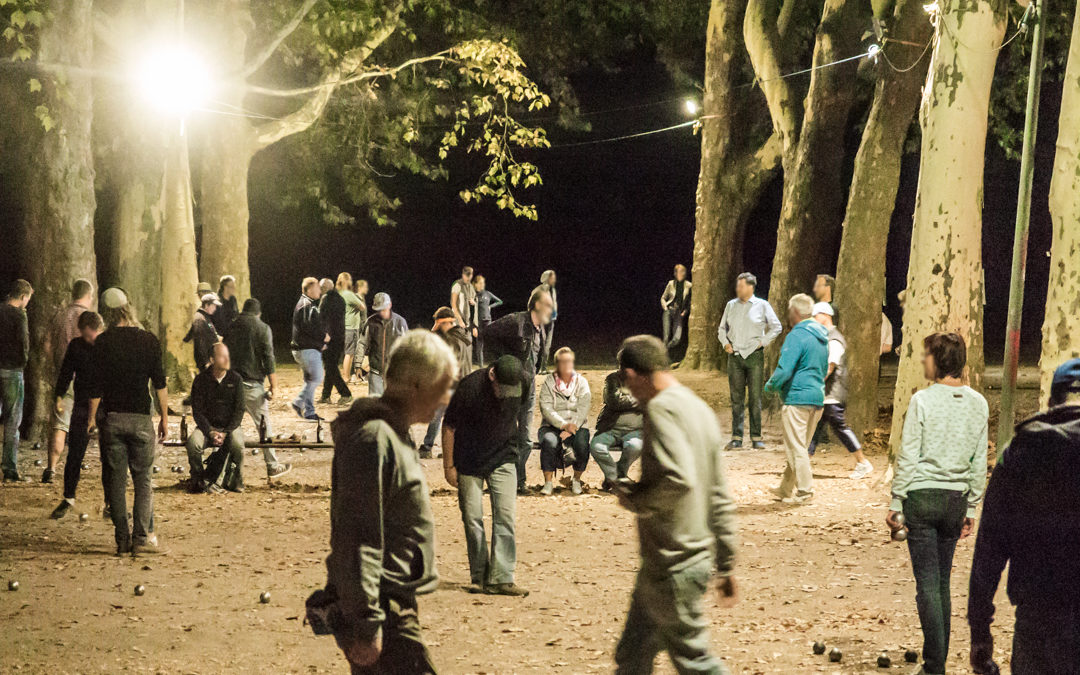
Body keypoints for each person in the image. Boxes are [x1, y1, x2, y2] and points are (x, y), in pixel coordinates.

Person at [323, 330, 456, 673]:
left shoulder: (393, 434)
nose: (446, 396)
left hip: (392, 604)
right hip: (384, 608)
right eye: (444, 385)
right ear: (415, 384)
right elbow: (357, 536)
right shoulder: (375, 439)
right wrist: (367, 624)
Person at [612, 335, 738, 674]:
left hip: (673, 564)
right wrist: (726, 562)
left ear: (633, 374)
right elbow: (719, 494)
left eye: (626, 381)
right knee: (633, 655)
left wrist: (636, 499)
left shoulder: (662, 408)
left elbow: (678, 479)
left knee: (696, 663)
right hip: (675, 562)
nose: (628, 391)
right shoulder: (699, 409)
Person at [967, 358, 1080, 675]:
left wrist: (980, 631)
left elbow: (989, 547)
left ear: (1051, 400)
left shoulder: (1020, 451)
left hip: (1037, 617)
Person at [886, 332, 987, 675]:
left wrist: (896, 499)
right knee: (942, 582)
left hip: (923, 497)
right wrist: (971, 507)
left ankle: (934, 666)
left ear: (938, 361)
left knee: (927, 584)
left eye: (926, 355)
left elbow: (909, 455)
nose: (922, 361)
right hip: (956, 500)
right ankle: (936, 663)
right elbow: (978, 463)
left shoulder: (922, 401)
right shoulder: (978, 404)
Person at [86, 288, 168, 556]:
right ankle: (141, 538)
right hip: (141, 418)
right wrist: (165, 417)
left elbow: (95, 387)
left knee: (116, 482)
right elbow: (160, 384)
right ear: (128, 308)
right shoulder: (148, 340)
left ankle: (122, 539)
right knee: (143, 480)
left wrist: (91, 419)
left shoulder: (102, 343)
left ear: (107, 315)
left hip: (113, 419)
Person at [442, 355, 530, 597]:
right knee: (473, 518)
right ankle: (479, 576)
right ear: (492, 376)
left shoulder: (523, 381)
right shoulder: (469, 388)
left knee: (505, 516)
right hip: (469, 459)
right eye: (503, 388)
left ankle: (501, 578)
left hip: (504, 455)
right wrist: (448, 466)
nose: (507, 394)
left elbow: (520, 416)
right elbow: (449, 427)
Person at [483, 286, 553, 493]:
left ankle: (517, 481)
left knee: (526, 440)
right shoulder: (516, 321)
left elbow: (537, 359)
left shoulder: (541, 329)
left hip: (528, 388)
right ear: (538, 305)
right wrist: (504, 364)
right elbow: (487, 333)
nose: (551, 310)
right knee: (502, 436)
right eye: (549, 305)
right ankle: (498, 481)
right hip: (508, 388)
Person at [763, 293, 828, 504]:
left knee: (796, 448)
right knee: (800, 444)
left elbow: (785, 369)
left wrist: (770, 386)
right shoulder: (822, 337)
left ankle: (805, 492)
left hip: (797, 397)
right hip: (817, 398)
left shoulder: (797, 335)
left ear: (795, 312)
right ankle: (785, 488)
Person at [223, 298, 291, 479]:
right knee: (263, 426)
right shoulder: (262, 327)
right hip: (252, 385)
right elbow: (268, 357)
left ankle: (224, 468)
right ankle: (272, 465)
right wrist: (274, 385)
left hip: (230, 384)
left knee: (229, 425)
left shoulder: (231, 326)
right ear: (258, 313)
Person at [807, 303, 873, 479]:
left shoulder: (834, 340)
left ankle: (862, 462)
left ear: (825, 316)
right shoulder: (828, 337)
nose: (814, 321)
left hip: (832, 394)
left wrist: (816, 383)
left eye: (816, 317)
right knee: (815, 428)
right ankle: (802, 464)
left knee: (838, 428)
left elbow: (830, 367)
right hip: (828, 394)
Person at [717, 272, 782, 450]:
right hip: (735, 356)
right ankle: (736, 437)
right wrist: (725, 344)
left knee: (755, 398)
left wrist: (764, 342)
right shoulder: (731, 305)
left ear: (750, 287)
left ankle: (756, 437)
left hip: (754, 356)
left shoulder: (762, 305)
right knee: (736, 398)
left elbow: (777, 326)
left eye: (741, 286)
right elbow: (722, 328)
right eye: (737, 286)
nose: (738, 289)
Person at [48, 310, 103, 519]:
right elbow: (66, 371)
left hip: (104, 404)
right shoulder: (76, 346)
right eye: (87, 335)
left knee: (109, 455)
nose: (90, 339)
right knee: (75, 453)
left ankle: (110, 502)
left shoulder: (106, 345)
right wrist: (59, 395)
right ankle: (69, 496)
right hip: (82, 402)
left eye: (92, 335)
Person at [42, 278, 94, 484]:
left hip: (62, 378)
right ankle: (76, 465)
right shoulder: (89, 318)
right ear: (89, 296)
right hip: (85, 380)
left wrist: (55, 364)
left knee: (59, 424)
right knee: (85, 423)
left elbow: (46, 344)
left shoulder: (59, 316)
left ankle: (51, 468)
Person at [185, 343, 246, 494]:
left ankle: (236, 478)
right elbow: (197, 411)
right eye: (222, 356)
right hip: (208, 427)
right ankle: (198, 478)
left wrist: (226, 431)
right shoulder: (201, 380)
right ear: (212, 360)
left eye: (227, 355)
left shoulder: (236, 379)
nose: (227, 359)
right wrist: (210, 431)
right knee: (193, 444)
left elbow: (239, 411)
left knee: (238, 445)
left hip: (229, 427)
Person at [419, 307, 472, 459]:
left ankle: (427, 447)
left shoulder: (451, 339)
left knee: (437, 413)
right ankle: (456, 449)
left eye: (439, 324)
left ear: (444, 323)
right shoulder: (465, 335)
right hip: (465, 382)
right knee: (458, 418)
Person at [537, 347, 591, 496]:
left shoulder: (581, 382)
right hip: (552, 425)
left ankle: (576, 480)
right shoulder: (549, 382)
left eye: (569, 361)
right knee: (549, 442)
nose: (567, 365)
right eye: (563, 362)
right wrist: (563, 425)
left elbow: (583, 406)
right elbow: (546, 407)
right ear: (557, 364)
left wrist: (572, 427)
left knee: (582, 443)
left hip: (576, 425)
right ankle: (548, 482)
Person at [590, 369, 644, 491]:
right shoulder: (612, 379)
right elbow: (614, 402)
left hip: (634, 431)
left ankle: (614, 477)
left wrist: (626, 399)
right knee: (597, 447)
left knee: (635, 446)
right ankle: (616, 477)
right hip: (610, 428)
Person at [0, 279, 32, 483]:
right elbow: (24, 343)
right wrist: (23, 362)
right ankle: (9, 468)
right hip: (12, 371)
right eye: (28, 299)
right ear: (22, 297)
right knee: (12, 420)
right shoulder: (19, 315)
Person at [290, 277, 327, 420]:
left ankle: (309, 412)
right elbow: (308, 327)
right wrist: (324, 337)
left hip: (305, 348)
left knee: (310, 381)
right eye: (317, 287)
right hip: (306, 349)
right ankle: (298, 402)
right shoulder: (307, 305)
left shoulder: (306, 304)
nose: (320, 290)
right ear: (309, 289)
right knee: (317, 378)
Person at [358, 292, 408, 397]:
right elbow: (362, 343)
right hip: (375, 372)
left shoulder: (400, 322)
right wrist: (358, 364)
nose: (381, 313)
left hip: (394, 373)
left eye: (383, 309)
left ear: (390, 305)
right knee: (375, 406)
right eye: (379, 310)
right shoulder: (370, 322)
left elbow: (407, 348)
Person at [319, 277, 353, 406]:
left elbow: (324, 319)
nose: (320, 290)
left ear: (326, 288)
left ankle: (345, 393)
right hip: (340, 337)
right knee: (330, 365)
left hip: (329, 338)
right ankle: (325, 395)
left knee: (330, 366)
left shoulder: (326, 299)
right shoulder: (340, 299)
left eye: (321, 287)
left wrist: (324, 336)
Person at [184, 293, 221, 372]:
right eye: (213, 306)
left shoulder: (204, 317)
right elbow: (200, 341)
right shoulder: (199, 319)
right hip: (206, 362)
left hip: (210, 359)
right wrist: (206, 362)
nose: (215, 308)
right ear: (207, 305)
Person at [660, 264, 692, 354]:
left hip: (679, 313)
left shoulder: (689, 285)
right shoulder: (671, 284)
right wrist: (665, 308)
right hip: (669, 310)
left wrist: (685, 312)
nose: (682, 274)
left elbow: (689, 302)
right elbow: (663, 298)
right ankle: (663, 355)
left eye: (683, 271)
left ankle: (666, 349)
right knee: (666, 336)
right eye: (679, 271)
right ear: (675, 273)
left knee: (677, 338)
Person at [471, 275, 502, 366]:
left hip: (488, 321)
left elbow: (499, 301)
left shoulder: (487, 293)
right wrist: (473, 327)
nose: (482, 285)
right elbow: (471, 313)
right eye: (480, 283)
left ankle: (497, 364)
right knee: (479, 346)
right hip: (479, 323)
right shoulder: (473, 295)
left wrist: (490, 307)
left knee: (493, 343)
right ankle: (481, 366)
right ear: (475, 284)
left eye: (483, 283)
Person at [340, 273, 365, 384]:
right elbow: (362, 306)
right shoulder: (348, 294)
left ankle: (347, 376)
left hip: (345, 325)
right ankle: (346, 376)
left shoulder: (340, 293)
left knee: (350, 353)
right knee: (349, 353)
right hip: (351, 327)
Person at [349, 279, 370, 382]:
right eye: (365, 286)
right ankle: (354, 374)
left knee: (361, 352)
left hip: (362, 327)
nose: (367, 288)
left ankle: (360, 373)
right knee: (356, 351)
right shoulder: (357, 298)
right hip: (358, 328)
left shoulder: (361, 298)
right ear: (360, 287)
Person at [538, 270, 558, 372]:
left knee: (547, 344)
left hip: (551, 318)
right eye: (552, 277)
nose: (554, 279)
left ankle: (544, 367)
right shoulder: (542, 289)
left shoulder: (552, 289)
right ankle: (540, 367)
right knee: (543, 342)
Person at [451, 266, 477, 335]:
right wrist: (459, 320)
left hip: (467, 323)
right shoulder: (457, 285)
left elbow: (475, 303)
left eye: (469, 276)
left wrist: (473, 302)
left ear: (471, 275)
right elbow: (453, 304)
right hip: (457, 321)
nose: (468, 278)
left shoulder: (471, 287)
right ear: (463, 275)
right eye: (466, 276)